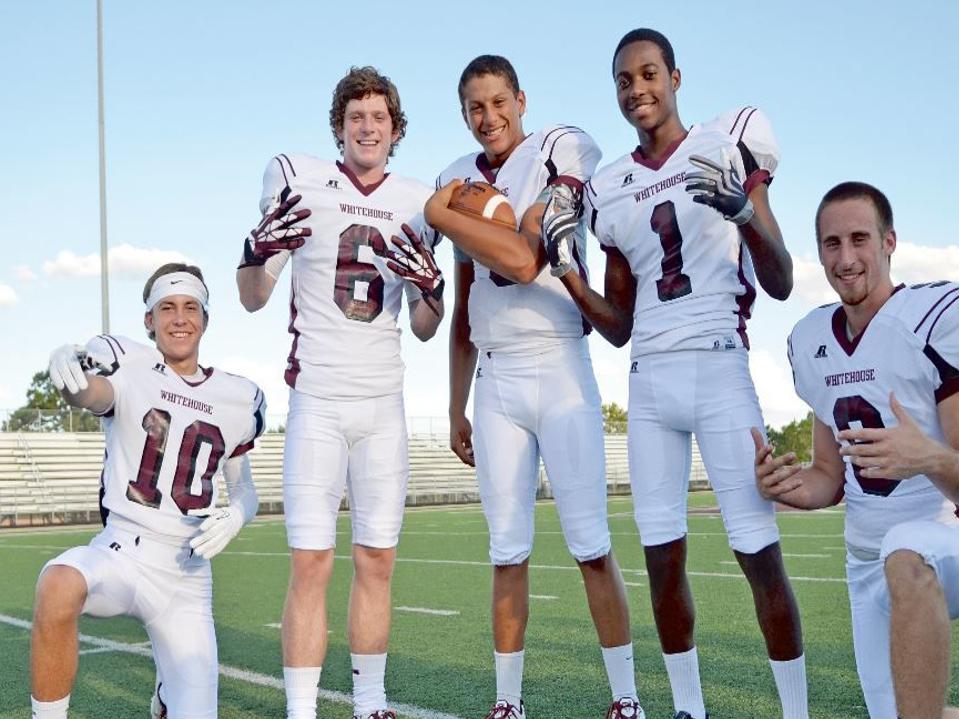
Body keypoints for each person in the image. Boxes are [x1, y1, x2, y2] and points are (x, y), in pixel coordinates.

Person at [548, 28, 808, 719]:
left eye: (648, 74)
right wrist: (567, 273)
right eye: (623, 80)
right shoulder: (608, 188)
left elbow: (780, 278)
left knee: (759, 555)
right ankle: (687, 709)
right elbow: (619, 324)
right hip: (649, 381)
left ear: (675, 76)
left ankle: (795, 710)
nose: (637, 89)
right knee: (661, 560)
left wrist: (743, 210)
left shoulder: (722, 150)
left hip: (721, 368)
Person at [425, 55, 643, 719]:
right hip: (495, 376)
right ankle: (507, 701)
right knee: (506, 548)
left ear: (520, 99)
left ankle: (625, 696)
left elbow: (524, 260)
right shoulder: (454, 176)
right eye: (474, 108)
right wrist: (455, 402)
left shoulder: (560, 147)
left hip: (558, 360)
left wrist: (443, 213)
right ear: (464, 114)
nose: (488, 117)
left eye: (497, 102)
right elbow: (464, 305)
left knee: (590, 544)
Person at [236, 66, 444, 719]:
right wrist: (253, 248)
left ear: (395, 129)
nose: (367, 127)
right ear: (339, 126)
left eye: (378, 117)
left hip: (383, 402)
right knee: (311, 562)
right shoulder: (302, 184)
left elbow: (424, 325)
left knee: (377, 558)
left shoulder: (418, 198)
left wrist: (433, 290)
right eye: (356, 116)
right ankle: (302, 707)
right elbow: (252, 296)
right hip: (318, 400)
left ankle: (369, 700)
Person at [755, 181, 959, 719]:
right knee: (904, 712)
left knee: (906, 551)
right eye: (831, 243)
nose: (845, 259)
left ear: (889, 242)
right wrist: (786, 487)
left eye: (859, 239)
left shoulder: (932, 319)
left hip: (942, 542)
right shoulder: (811, 340)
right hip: (865, 560)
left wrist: (930, 458)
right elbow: (829, 473)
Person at [31, 263, 264, 719]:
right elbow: (94, 395)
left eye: (190, 307)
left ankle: (167, 694)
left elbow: (246, 490)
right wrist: (70, 381)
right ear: (149, 320)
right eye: (167, 308)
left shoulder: (240, 396)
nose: (180, 318)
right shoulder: (131, 364)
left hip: (186, 577)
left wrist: (236, 516)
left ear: (205, 319)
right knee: (57, 583)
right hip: (122, 553)